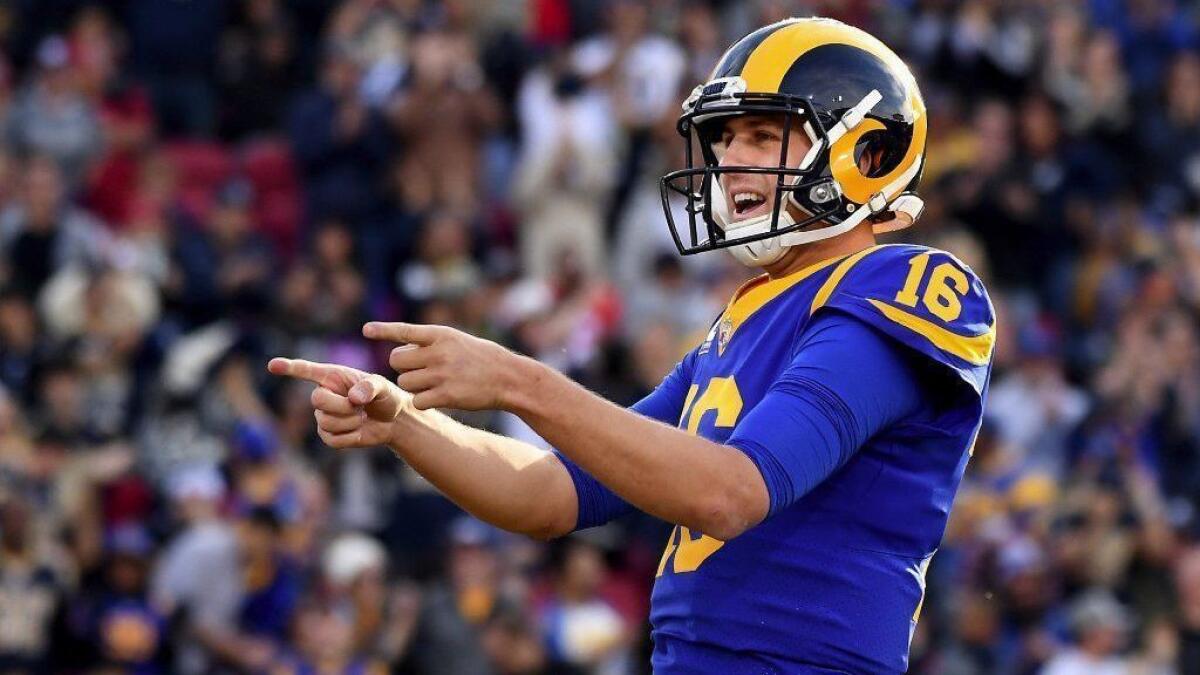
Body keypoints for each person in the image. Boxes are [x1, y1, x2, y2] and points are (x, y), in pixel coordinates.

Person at [270, 18, 996, 673]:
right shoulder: (742, 319)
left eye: (763, 135)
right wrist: (405, 420)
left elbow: (729, 490)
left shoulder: (906, 282)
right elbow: (550, 493)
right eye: (725, 138)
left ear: (866, 151)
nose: (732, 159)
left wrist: (521, 382)